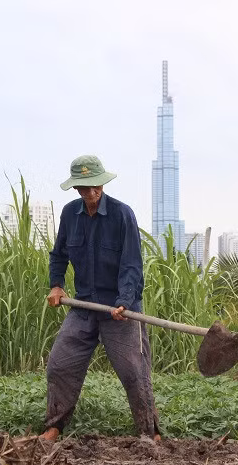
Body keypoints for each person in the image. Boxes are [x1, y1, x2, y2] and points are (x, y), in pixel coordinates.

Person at [40, 154, 160, 441]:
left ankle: (150, 432)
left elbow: (132, 263)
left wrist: (125, 300)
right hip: (84, 305)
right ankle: (54, 425)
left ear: (102, 184)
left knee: (134, 370)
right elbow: (59, 255)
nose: (91, 192)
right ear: (76, 189)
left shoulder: (122, 214)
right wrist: (56, 285)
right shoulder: (70, 214)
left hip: (118, 306)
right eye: (84, 187)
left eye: (95, 186)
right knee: (60, 363)